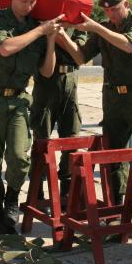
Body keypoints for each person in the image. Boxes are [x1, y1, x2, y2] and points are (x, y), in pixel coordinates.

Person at [57, 0, 132, 236]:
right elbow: (80, 57)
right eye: (106, 10)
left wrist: (97, 28)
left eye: (115, 8)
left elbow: (130, 45)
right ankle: (117, 209)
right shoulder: (102, 27)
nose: (111, 14)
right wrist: (60, 35)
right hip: (112, 97)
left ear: (126, 4)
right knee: (112, 154)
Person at [0, 0, 63, 234]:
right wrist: (40, 31)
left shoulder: (38, 28)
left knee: (18, 156)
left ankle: (12, 199)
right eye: (23, 0)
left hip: (18, 100)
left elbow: (47, 72)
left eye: (32, 2)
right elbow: (5, 48)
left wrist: (50, 40)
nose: (27, 6)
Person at [29, 27, 86, 205]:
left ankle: (67, 193)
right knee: (42, 141)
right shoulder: (42, 22)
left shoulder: (77, 26)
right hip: (46, 84)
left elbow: (81, 54)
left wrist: (59, 36)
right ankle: (37, 193)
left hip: (70, 83)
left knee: (72, 140)